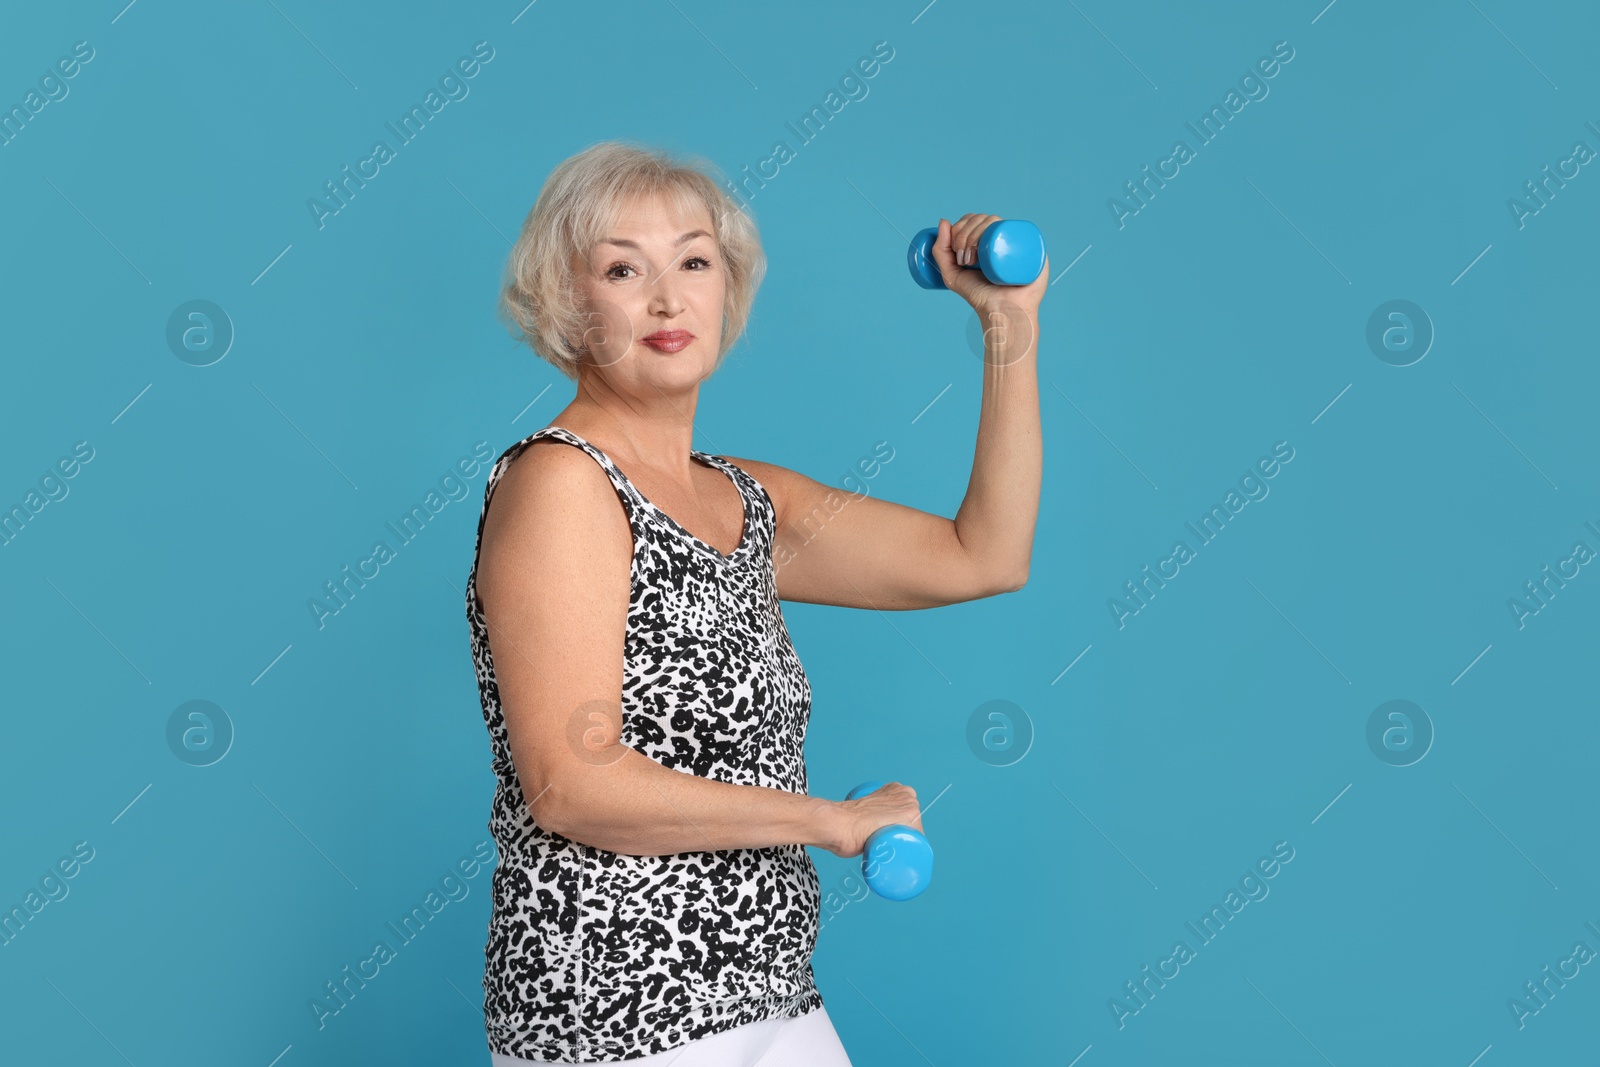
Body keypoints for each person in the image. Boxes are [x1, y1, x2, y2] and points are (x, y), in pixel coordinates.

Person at [465, 139, 1046, 1065]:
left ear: (727, 287)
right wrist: (829, 819)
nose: (667, 298)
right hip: (617, 1015)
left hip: (767, 992)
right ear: (569, 302)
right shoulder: (561, 484)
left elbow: (985, 555)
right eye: (624, 268)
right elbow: (572, 782)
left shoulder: (745, 499)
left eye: (694, 261)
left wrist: (1010, 329)